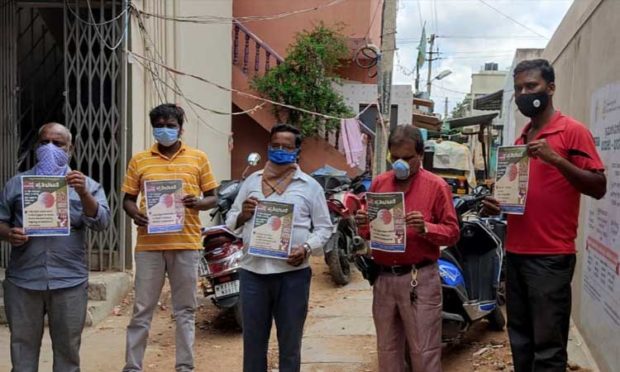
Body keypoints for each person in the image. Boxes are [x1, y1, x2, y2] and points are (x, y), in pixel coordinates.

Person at [482, 59, 606, 372]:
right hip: (516, 253)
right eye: (519, 88)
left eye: (532, 86)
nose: (525, 93)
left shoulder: (573, 132)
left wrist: (556, 160)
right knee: (520, 342)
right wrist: (498, 205)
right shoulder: (521, 140)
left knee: (549, 351)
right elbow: (520, 197)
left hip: (550, 257)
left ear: (550, 88)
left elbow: (598, 186)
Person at [0, 122, 111, 372]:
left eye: (58, 143)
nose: (50, 147)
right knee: (22, 349)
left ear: (69, 149)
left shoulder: (87, 185)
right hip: (23, 281)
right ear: (36, 146)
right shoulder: (17, 184)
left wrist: (83, 194)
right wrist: (9, 234)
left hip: (69, 281)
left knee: (68, 352)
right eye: (44, 142)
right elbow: (1, 221)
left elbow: (102, 222)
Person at [226, 124, 332, 372]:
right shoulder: (252, 181)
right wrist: (243, 215)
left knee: (290, 344)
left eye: (287, 147)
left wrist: (306, 248)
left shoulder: (309, 186)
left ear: (297, 151)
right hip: (253, 274)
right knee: (253, 344)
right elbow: (231, 221)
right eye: (275, 146)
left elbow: (325, 228)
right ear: (268, 147)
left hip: (292, 276)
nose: (280, 150)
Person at [122, 104, 218, 372]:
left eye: (170, 125)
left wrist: (198, 203)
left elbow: (213, 197)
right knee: (142, 310)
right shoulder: (140, 160)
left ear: (180, 128)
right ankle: (132, 366)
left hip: (186, 244)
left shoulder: (198, 158)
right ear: (153, 128)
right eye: (160, 125)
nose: (165, 130)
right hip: (149, 246)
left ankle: (184, 366)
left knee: (185, 310)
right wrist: (136, 214)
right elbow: (127, 200)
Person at [355, 126, 459, 372]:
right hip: (383, 278)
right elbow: (370, 232)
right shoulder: (380, 184)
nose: (400, 163)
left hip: (419, 277)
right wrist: (363, 225)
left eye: (407, 158)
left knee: (424, 352)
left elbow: (453, 233)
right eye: (395, 158)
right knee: (387, 350)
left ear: (420, 155)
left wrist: (427, 228)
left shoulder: (436, 186)